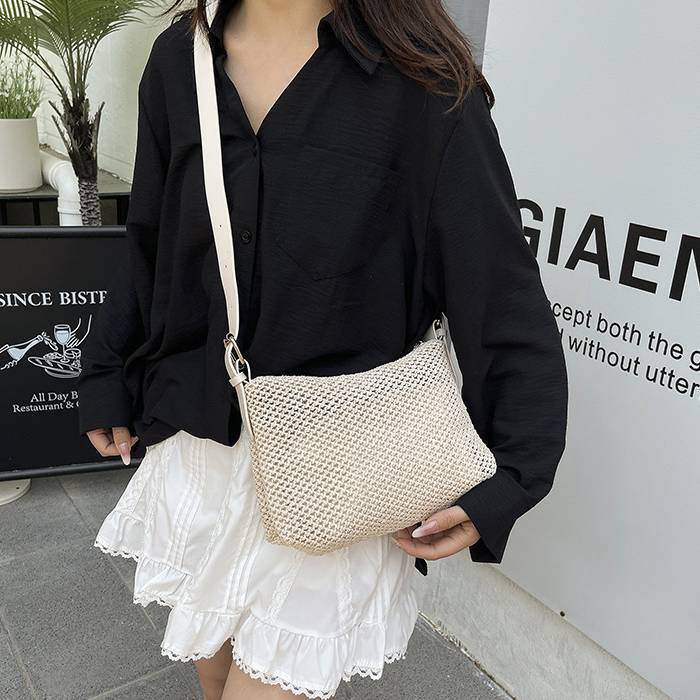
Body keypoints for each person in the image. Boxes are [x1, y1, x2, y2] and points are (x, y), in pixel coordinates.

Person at [76, 0, 569, 698]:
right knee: (213, 675)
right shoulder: (179, 59)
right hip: (204, 448)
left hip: (341, 464)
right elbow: (154, 238)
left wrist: (513, 471)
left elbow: (496, 286)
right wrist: (106, 370)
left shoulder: (422, 83)